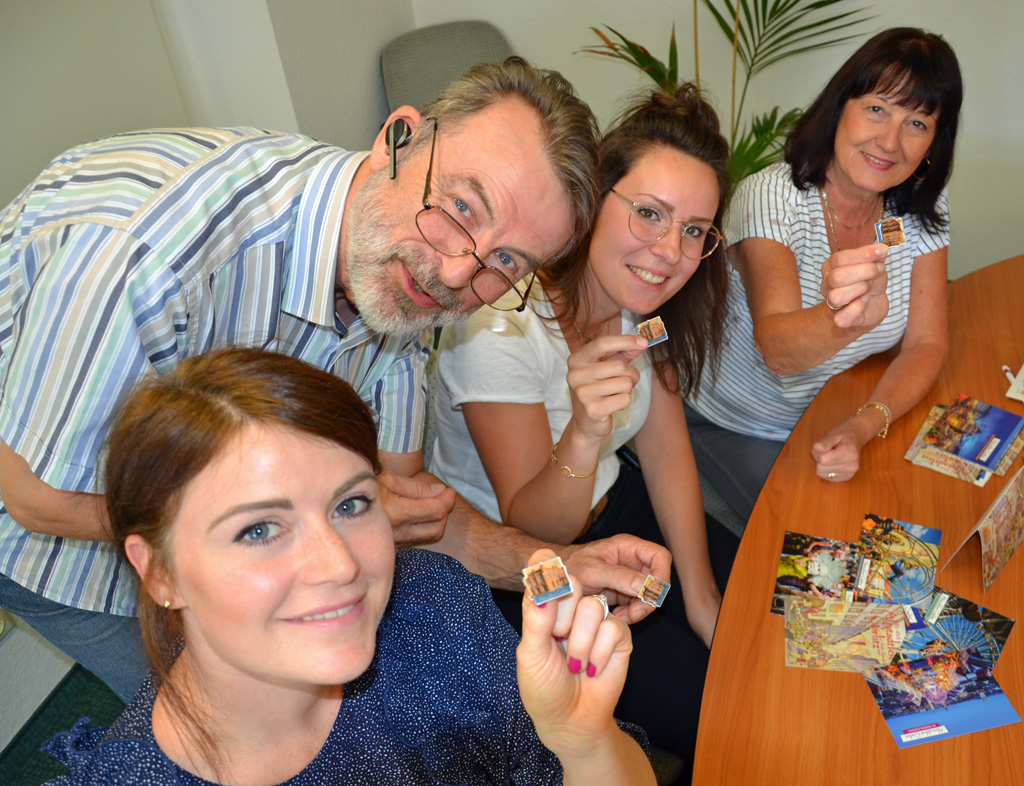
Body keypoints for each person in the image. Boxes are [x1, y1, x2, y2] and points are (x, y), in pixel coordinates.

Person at [0, 57, 671, 704]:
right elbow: (37, 495)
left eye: (506, 262)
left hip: (215, 510)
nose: (458, 273)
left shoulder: (413, 267)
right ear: (396, 140)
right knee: (232, 722)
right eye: (464, 206)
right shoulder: (150, 256)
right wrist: (303, 517)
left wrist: (553, 566)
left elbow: (401, 504)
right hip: (58, 527)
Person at [40, 348, 655, 786]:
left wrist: (583, 740)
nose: (339, 564)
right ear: (160, 574)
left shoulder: (435, 613)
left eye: (351, 505)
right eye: (258, 530)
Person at [428, 84, 738, 772]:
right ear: (595, 199)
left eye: (694, 230)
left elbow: (666, 451)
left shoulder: (642, 304)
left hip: (617, 506)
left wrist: (702, 596)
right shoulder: (500, 322)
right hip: (521, 564)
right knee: (721, 712)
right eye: (650, 213)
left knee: (762, 613)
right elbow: (538, 525)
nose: (670, 251)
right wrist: (587, 430)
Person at [686, 28, 964, 525]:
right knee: (829, 536)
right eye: (876, 109)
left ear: (933, 143)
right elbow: (778, 351)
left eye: (917, 123)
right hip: (739, 422)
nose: (890, 142)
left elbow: (927, 344)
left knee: (927, 511)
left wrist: (864, 425)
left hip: (840, 407)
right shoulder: (771, 197)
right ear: (840, 107)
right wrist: (847, 317)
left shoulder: (921, 206)